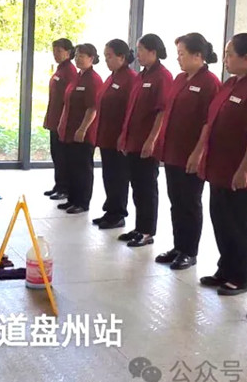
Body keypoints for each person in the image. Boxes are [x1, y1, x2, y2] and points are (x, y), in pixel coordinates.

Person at [191, 33, 247, 296]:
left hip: (238, 169)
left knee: (240, 224)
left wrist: (245, 168)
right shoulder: (230, 85)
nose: (225, 59)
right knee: (221, 220)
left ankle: (240, 276)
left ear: (246, 58)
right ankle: (224, 269)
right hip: (218, 167)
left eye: (229, 54)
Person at [153, 33, 221, 271]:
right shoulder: (180, 79)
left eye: (182, 54)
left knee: (190, 202)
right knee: (176, 201)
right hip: (173, 150)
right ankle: (178, 246)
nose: (178, 58)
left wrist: (198, 152)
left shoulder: (210, 83)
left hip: (191, 152)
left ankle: (190, 251)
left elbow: (208, 122)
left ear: (198, 56)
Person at [117, 34, 174, 248]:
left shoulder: (162, 76)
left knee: (147, 187)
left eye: (141, 49)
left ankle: (148, 231)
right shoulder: (141, 76)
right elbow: (132, 109)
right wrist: (124, 135)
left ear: (153, 52)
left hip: (147, 142)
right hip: (134, 140)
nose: (137, 54)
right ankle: (139, 227)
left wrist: (152, 140)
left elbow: (162, 112)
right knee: (137, 186)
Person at [93, 40, 138, 230]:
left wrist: (124, 135)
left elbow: (131, 110)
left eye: (109, 56)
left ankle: (118, 213)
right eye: (105, 56)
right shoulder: (112, 77)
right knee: (109, 175)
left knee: (118, 177)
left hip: (118, 137)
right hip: (106, 135)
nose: (106, 60)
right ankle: (110, 210)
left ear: (122, 57)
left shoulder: (131, 79)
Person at [57, 43, 104, 215]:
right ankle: (72, 199)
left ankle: (82, 202)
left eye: (82, 56)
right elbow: (67, 103)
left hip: (83, 133)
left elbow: (92, 108)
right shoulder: (78, 77)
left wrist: (83, 129)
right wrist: (62, 123)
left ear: (91, 58)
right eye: (76, 55)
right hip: (69, 130)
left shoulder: (93, 79)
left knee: (82, 168)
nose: (78, 59)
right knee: (71, 166)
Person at [42, 38, 77, 201]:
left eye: (59, 51)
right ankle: (58, 185)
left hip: (62, 122)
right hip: (54, 118)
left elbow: (69, 99)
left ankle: (64, 188)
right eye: (54, 51)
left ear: (68, 52)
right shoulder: (60, 69)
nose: (55, 54)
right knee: (56, 154)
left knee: (63, 156)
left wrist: (63, 120)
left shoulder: (69, 71)